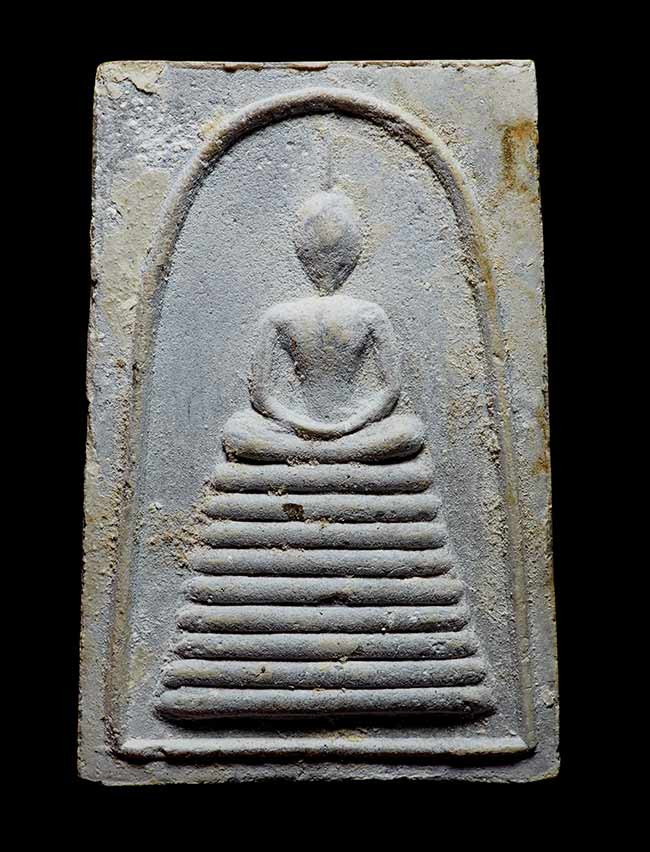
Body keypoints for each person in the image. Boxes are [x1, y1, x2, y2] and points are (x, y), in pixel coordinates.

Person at [222, 190, 425, 464]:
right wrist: (343, 427)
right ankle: (341, 454)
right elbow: (389, 393)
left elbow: (262, 397)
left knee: (238, 432)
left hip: (309, 432)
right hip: (349, 431)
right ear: (355, 252)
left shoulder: (280, 315)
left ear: (300, 250)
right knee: (408, 432)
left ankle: (311, 454)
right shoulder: (369, 314)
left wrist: (316, 428)